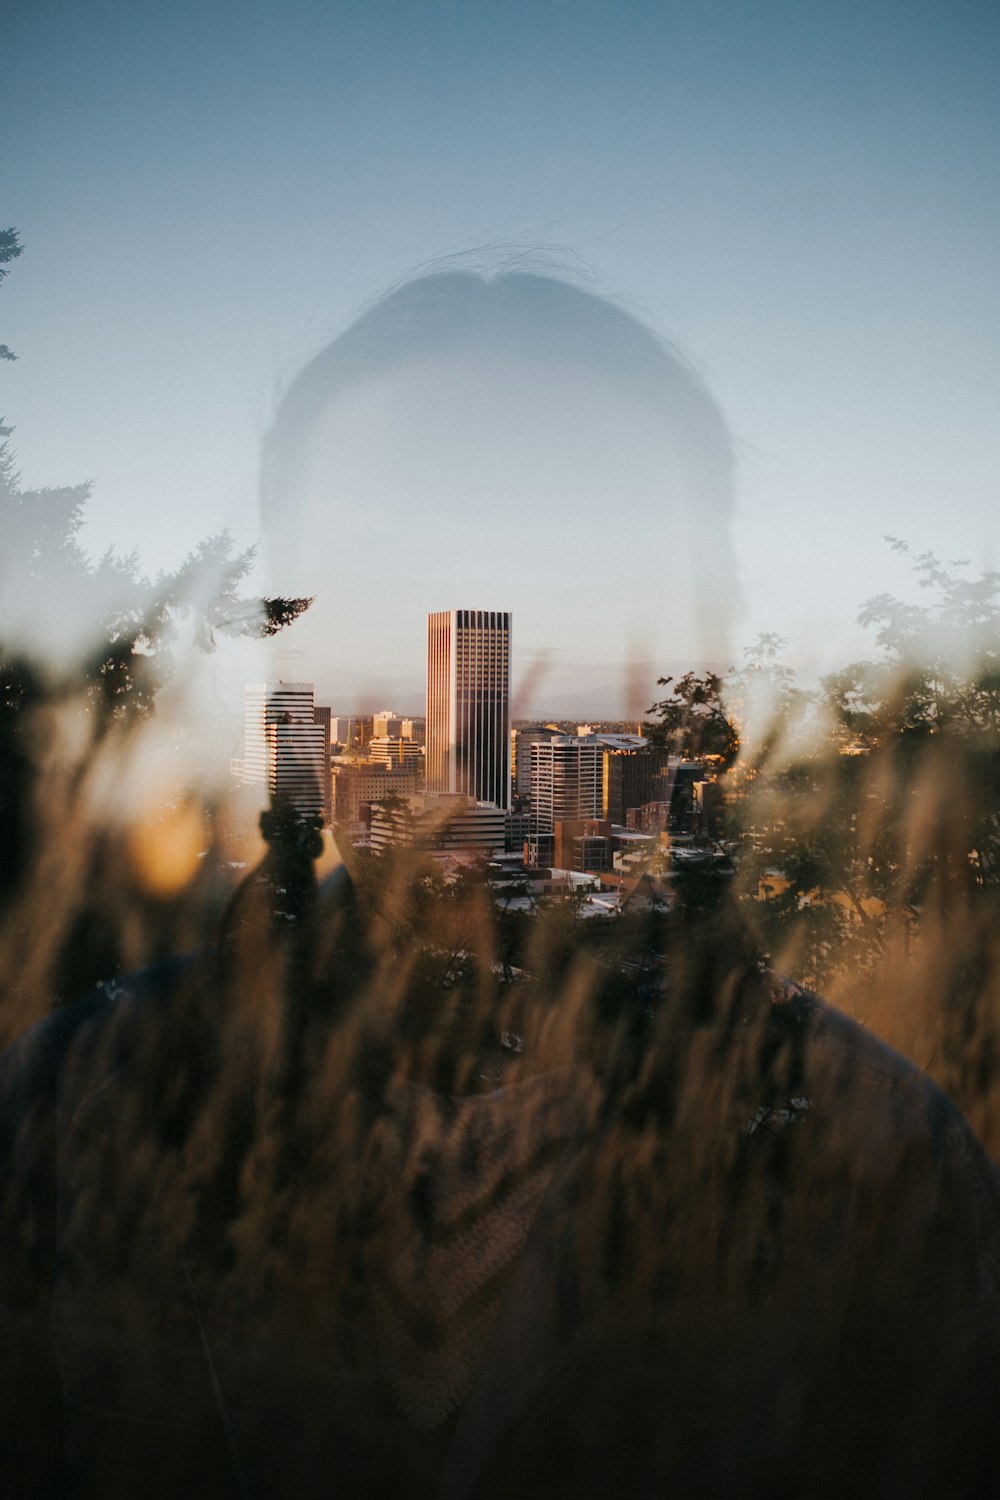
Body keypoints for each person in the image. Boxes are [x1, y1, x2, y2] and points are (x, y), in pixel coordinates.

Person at [3, 264, 1000, 1499]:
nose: (487, 681)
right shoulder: (57, 1116)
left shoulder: (890, 1164)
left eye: (588, 582)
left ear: (707, 671)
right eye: (378, 584)